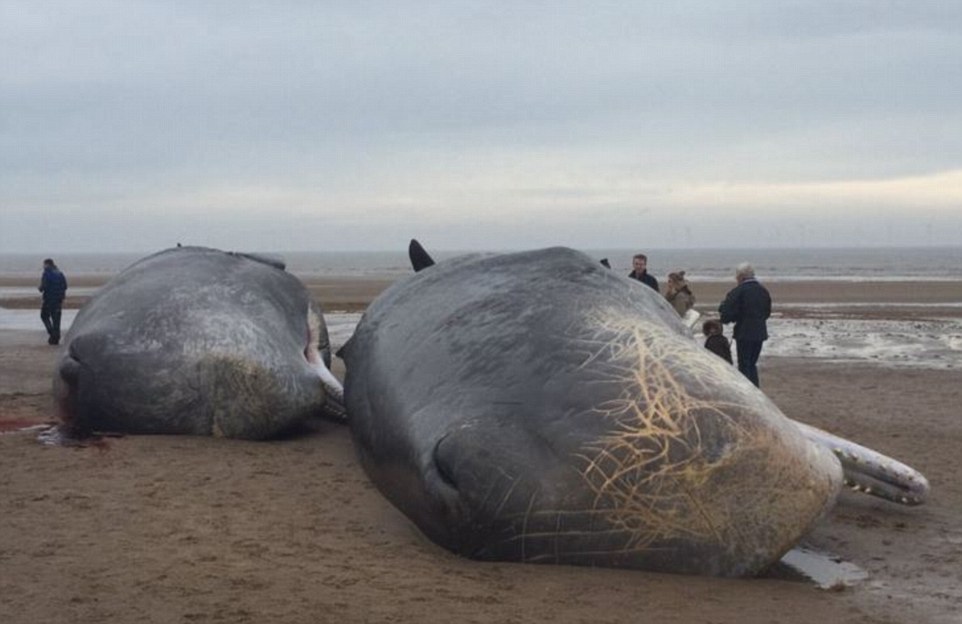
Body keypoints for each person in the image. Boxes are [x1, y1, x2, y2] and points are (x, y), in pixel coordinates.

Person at [718, 262, 771, 386]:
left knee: (744, 364)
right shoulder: (763, 291)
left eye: (737, 277)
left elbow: (727, 313)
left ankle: (747, 389)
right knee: (752, 363)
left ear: (741, 277)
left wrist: (725, 315)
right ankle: (755, 389)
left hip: (744, 332)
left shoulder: (738, 291)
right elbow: (767, 312)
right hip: (760, 332)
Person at [39, 258, 68, 345]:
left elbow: (44, 286)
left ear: (47, 264)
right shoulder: (60, 273)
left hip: (49, 299)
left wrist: (40, 288)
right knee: (56, 319)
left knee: (44, 315)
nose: (43, 266)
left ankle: (52, 333)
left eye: (44, 264)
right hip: (59, 299)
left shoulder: (47, 273)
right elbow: (65, 286)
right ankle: (56, 336)